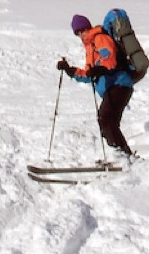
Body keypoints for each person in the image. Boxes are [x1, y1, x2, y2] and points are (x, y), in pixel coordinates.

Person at [58, 13, 136, 159]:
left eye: (83, 30)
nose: (81, 35)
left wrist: (101, 69)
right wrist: (70, 70)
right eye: (78, 33)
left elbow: (110, 58)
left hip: (119, 84)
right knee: (109, 124)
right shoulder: (89, 48)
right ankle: (124, 157)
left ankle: (123, 156)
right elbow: (89, 75)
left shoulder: (100, 38)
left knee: (105, 119)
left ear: (88, 27)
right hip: (112, 88)